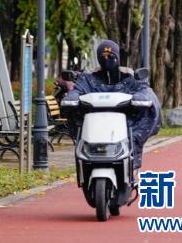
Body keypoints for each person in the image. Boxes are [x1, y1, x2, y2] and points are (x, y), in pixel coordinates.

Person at [64, 39, 160, 171]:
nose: (107, 59)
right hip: (94, 127)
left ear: (118, 57)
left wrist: (141, 97)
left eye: (111, 56)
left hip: (125, 127)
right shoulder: (89, 78)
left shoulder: (130, 77)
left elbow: (144, 90)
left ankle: (131, 167)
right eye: (102, 57)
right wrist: (73, 97)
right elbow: (78, 90)